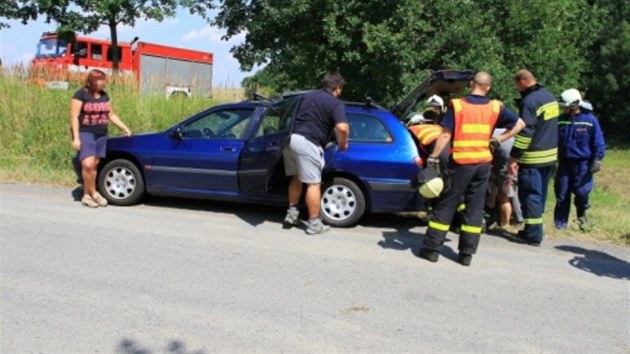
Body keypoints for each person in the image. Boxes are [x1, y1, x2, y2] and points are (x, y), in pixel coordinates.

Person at [418, 72, 525, 266]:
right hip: (483, 163)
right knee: (475, 208)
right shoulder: (495, 107)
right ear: (488, 88)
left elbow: (444, 136)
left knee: (446, 204)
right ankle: (466, 254)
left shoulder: (458, 105)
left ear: (471, 85)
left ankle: (432, 250)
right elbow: (520, 124)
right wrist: (499, 139)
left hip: (460, 163)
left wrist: (433, 158)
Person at [282, 72, 350, 234]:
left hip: (292, 140)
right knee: (314, 183)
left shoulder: (306, 96)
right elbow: (342, 127)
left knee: (297, 177)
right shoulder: (335, 103)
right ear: (337, 88)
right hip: (309, 143)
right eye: (341, 89)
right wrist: (343, 142)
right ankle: (314, 224)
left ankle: (292, 214)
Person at [509, 69, 559, 246]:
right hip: (549, 156)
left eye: (517, 86)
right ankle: (535, 229)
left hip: (533, 158)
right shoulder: (549, 96)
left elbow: (525, 132)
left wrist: (514, 157)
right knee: (540, 195)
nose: (517, 89)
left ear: (522, 82)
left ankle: (532, 235)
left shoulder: (529, 101)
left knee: (530, 195)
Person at [71, 69, 131, 208]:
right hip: (85, 132)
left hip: (101, 134)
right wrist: (76, 138)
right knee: (87, 164)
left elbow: (111, 114)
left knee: (94, 166)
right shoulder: (80, 94)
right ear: (92, 80)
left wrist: (124, 127)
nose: (103, 83)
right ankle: (95, 193)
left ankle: (86, 195)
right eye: (100, 80)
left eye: (104, 80)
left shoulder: (104, 95)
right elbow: (74, 117)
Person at [554, 88, 606, 231]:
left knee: (582, 193)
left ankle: (583, 219)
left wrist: (597, 159)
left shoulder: (590, 120)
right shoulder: (561, 120)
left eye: (566, 107)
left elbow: (598, 142)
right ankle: (560, 224)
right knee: (562, 194)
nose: (564, 109)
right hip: (564, 163)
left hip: (583, 164)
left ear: (574, 105)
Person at [486, 128, 523, 234]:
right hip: (507, 165)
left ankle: (505, 223)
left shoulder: (493, 133)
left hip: (505, 167)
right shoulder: (508, 131)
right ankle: (499, 215)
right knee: (509, 194)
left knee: (504, 197)